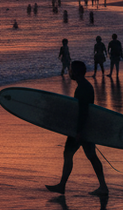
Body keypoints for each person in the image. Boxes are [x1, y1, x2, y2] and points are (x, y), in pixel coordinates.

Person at [46, 61, 108, 196]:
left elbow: (83, 111)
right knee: (90, 156)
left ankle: (62, 185)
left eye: (71, 70)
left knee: (69, 154)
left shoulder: (83, 88)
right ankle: (102, 186)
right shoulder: (84, 86)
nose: (70, 73)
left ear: (76, 72)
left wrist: (79, 131)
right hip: (86, 127)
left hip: (81, 129)